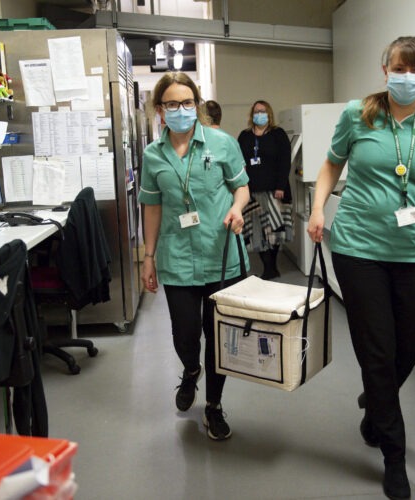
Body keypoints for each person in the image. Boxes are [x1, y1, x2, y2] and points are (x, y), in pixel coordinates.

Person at [307, 36, 415, 499]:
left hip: (413, 251)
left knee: (405, 352)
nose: (407, 76)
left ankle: (375, 404)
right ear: (384, 69)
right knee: (377, 349)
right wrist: (317, 208)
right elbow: (331, 165)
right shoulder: (359, 114)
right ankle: (394, 455)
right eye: (399, 68)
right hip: (359, 248)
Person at [138, 71, 250, 441]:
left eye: (188, 103)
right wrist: (148, 256)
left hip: (221, 256)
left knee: (219, 337)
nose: (182, 110)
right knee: (185, 334)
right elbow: (152, 208)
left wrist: (237, 209)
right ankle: (190, 371)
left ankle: (214, 407)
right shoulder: (153, 156)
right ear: (160, 110)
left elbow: (242, 189)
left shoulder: (221, 143)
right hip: (178, 258)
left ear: (197, 104)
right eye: (172, 104)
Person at [238, 100, 293, 279]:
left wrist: (280, 185)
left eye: (262, 111)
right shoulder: (245, 136)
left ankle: (273, 266)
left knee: (275, 230)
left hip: (274, 191)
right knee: (256, 232)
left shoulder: (278, 134)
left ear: (269, 114)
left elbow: (285, 161)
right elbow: (239, 160)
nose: (259, 114)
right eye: (256, 111)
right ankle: (267, 266)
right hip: (252, 191)